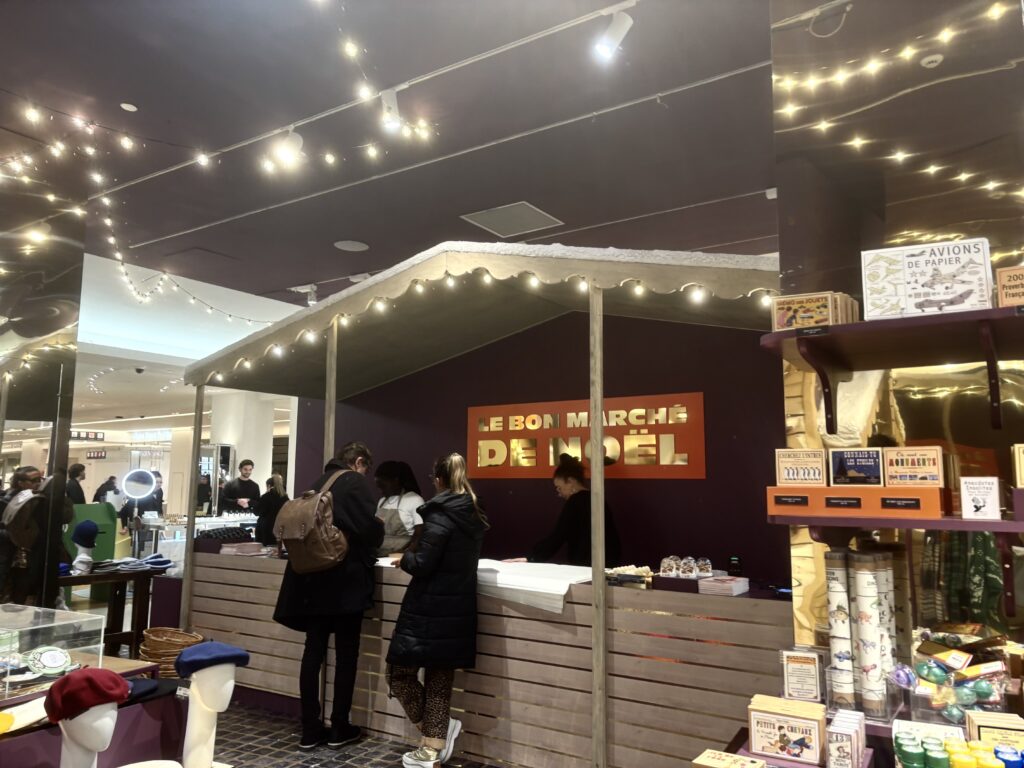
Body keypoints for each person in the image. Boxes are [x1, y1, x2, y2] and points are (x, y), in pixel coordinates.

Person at [273, 441, 384, 752]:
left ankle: (310, 728)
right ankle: (339, 727)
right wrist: (378, 527)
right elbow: (370, 533)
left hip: (310, 580)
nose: (365, 474)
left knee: (313, 652)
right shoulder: (354, 483)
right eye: (366, 467)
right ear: (359, 461)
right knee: (346, 654)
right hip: (343, 581)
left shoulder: (317, 483)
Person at [386, 453, 488, 768]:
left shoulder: (439, 516)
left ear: (439, 479)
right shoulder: (472, 514)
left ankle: (435, 737)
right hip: (457, 606)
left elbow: (424, 563)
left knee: (398, 674)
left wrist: (404, 559)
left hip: (429, 607)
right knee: (439, 678)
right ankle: (433, 745)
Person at [510, 453, 621, 567]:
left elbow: (558, 536)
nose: (559, 493)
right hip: (608, 561)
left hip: (587, 565)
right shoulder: (597, 498)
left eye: (559, 488)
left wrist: (532, 557)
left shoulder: (575, 502)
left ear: (570, 481)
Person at [0, 466, 42, 602]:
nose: (38, 483)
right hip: (11, 556)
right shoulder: (7, 502)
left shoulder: (34, 500)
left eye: (40, 479)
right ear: (21, 483)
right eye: (34, 480)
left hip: (25, 557)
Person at [374, 461, 425, 556]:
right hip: (379, 555)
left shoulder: (414, 500)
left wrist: (406, 555)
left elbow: (419, 534)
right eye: (378, 487)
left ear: (395, 481)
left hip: (400, 557)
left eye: (383, 486)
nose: (381, 491)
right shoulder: (382, 501)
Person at [254, 474, 288, 546]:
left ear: (268, 486)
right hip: (280, 529)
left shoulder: (266, 497)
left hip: (266, 530)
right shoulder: (285, 498)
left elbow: (257, 512)